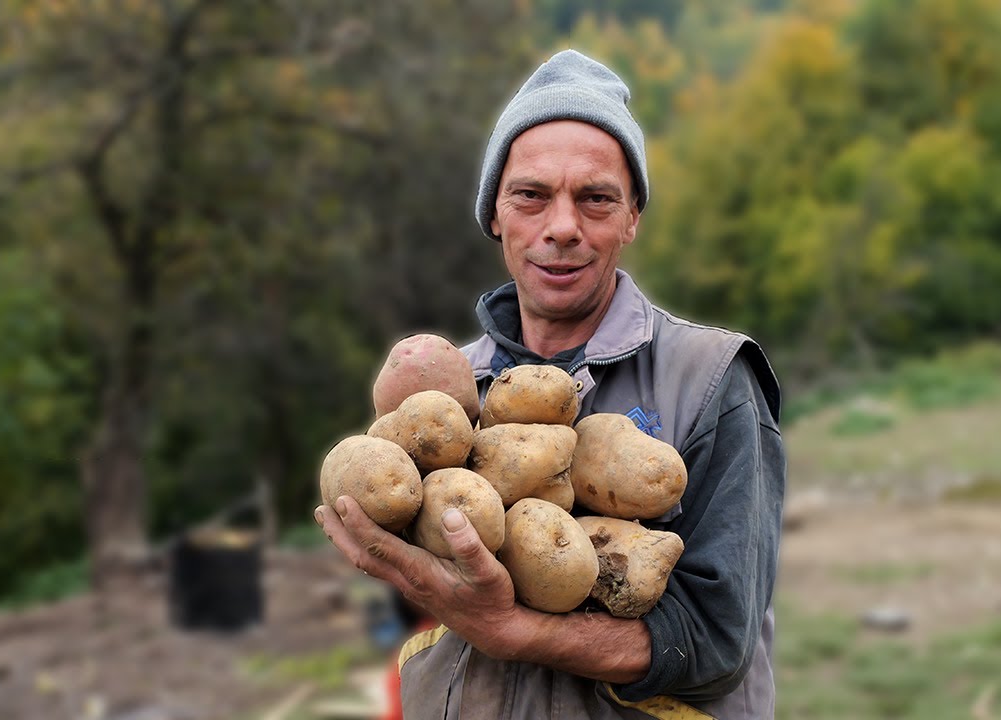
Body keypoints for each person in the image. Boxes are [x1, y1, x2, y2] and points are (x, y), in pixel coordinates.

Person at [314, 49, 785, 719]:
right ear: (496, 215)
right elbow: (416, 623)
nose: (562, 228)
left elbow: (718, 642)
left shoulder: (712, 379)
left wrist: (520, 632)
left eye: (595, 198)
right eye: (531, 196)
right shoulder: (443, 392)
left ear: (632, 218)